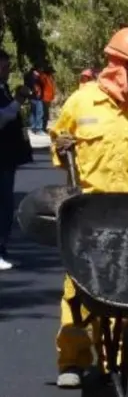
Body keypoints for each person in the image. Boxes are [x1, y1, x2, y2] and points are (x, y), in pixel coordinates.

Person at [49, 26, 128, 388]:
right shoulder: (83, 101)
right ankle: (71, 359)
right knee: (79, 291)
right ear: (117, 64)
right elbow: (58, 142)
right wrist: (63, 146)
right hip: (88, 213)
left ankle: (121, 355)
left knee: (126, 288)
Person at [0, 49, 32, 271]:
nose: (7, 71)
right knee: (2, 204)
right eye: (3, 67)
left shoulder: (2, 88)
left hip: (7, 158)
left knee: (5, 204)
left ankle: (2, 247)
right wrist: (18, 101)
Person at [24, 64, 44, 134]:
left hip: (33, 96)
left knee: (33, 112)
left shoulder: (29, 75)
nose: (42, 70)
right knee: (39, 112)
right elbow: (36, 85)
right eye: (41, 68)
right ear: (37, 69)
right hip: (36, 96)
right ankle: (38, 129)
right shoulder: (35, 76)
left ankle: (33, 128)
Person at [40, 65, 56, 131]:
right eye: (51, 72)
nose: (52, 73)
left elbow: (52, 88)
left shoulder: (50, 77)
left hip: (48, 98)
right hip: (44, 98)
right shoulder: (44, 77)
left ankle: (44, 127)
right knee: (44, 113)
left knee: (46, 113)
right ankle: (42, 128)